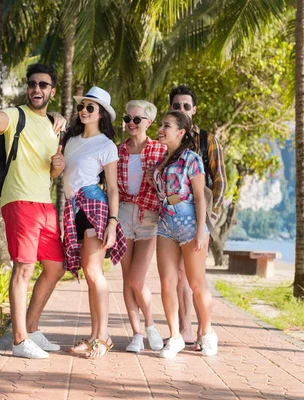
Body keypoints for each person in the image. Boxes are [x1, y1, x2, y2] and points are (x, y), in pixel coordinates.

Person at [0, 63, 67, 359]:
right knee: (23, 269)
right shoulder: (17, 115)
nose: (36, 89)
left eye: (43, 85)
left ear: (52, 90)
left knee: (55, 267)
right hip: (20, 201)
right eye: (32, 84)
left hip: (45, 204)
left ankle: (32, 328)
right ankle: (19, 340)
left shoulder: (54, 126)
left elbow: (50, 173)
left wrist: (57, 167)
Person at [62, 86, 127, 359]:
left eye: (91, 107)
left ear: (102, 114)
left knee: (93, 271)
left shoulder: (106, 145)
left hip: (93, 205)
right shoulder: (71, 140)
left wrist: (112, 222)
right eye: (83, 106)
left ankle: (103, 337)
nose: (84, 111)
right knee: (90, 276)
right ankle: (94, 335)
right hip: (72, 207)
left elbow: (112, 188)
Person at [152, 111, 217, 358]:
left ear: (180, 132)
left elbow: (200, 197)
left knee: (196, 283)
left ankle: (207, 332)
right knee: (167, 283)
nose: (161, 129)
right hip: (166, 224)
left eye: (166, 126)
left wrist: (201, 231)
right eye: (161, 125)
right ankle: (175, 336)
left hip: (190, 225)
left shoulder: (192, 159)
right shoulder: (161, 159)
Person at [168, 85, 227, 347]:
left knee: (195, 278)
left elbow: (221, 181)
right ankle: (184, 328)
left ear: (194, 109)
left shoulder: (207, 140)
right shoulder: (167, 140)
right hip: (174, 219)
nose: (181, 109)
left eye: (186, 106)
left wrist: (209, 219)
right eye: (176, 106)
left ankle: (206, 330)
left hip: (200, 217)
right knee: (179, 276)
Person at [117, 100, 166, 352]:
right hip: (124, 215)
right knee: (127, 280)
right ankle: (136, 334)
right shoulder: (118, 151)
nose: (131, 124)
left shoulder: (160, 150)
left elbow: (172, 183)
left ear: (148, 122)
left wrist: (156, 177)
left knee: (137, 279)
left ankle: (150, 325)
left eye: (137, 119)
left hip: (149, 217)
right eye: (128, 119)